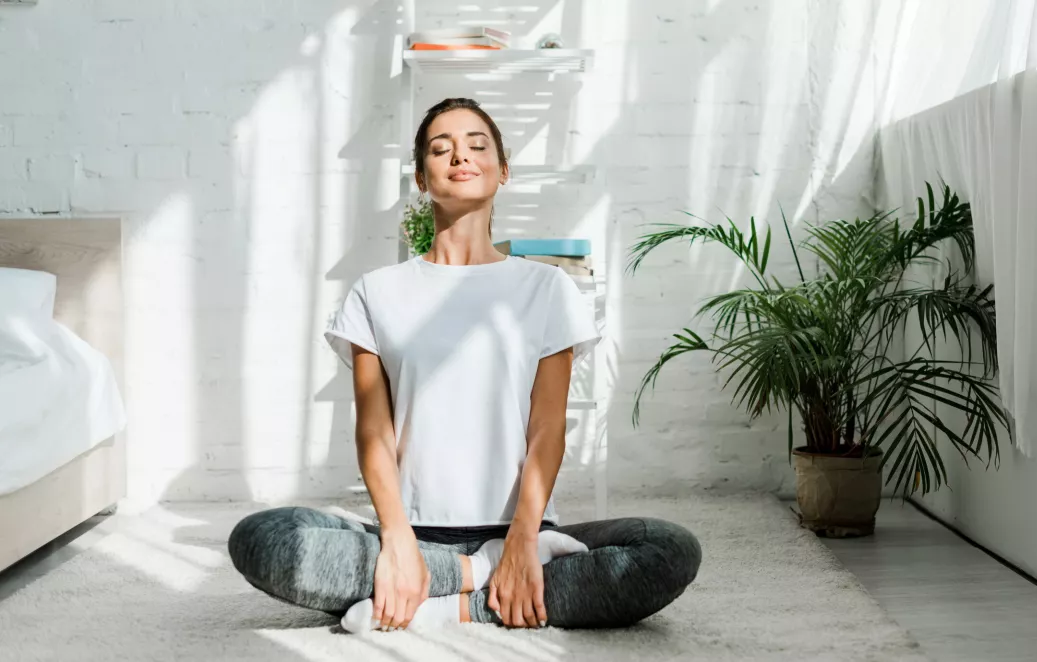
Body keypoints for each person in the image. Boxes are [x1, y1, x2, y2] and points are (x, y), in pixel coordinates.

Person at [227, 98, 702, 633]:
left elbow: (547, 430)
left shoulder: (547, 288)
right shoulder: (376, 292)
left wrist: (522, 538)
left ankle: (442, 601)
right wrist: (397, 539)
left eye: (477, 145)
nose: (460, 156)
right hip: (413, 531)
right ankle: (480, 576)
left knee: (667, 549)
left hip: (523, 529)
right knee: (263, 539)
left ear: (502, 170)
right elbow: (374, 433)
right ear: (421, 178)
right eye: (440, 148)